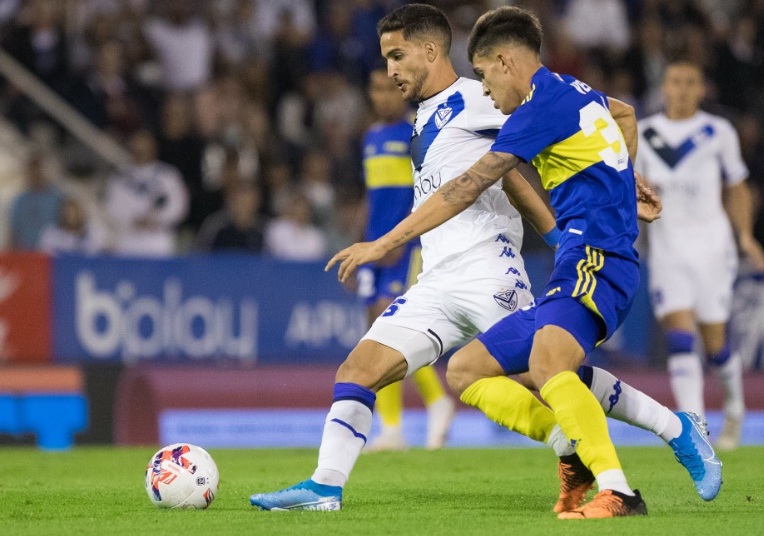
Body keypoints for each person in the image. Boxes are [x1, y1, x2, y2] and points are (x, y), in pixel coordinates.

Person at [250, 4, 717, 515]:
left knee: (546, 369)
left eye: (397, 56)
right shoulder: (428, 114)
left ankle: (645, 445)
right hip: (437, 278)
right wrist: (574, 219)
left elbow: (480, 180)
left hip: (489, 269)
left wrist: (382, 244)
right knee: (360, 369)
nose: (390, 70)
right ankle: (325, 486)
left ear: (431, 51)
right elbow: (514, 175)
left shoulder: (481, 96)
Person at [635, 60, 764, 451]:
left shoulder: (718, 131)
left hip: (713, 246)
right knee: (680, 338)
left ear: (701, 89)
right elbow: (631, 186)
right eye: (675, 81)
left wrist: (746, 235)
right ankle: (697, 432)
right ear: (664, 87)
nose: (681, 89)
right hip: (667, 248)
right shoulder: (643, 133)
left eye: (689, 82)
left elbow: (738, 186)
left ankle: (735, 407)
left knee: (715, 346)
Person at [356, 66, 455, 452]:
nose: (382, 96)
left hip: (405, 245)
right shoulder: (371, 137)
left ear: (402, 91)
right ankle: (393, 429)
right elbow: (371, 197)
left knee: (389, 321)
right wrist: (360, 245)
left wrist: (400, 237)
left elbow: (426, 191)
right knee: (376, 333)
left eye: (388, 89)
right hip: (374, 246)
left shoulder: (416, 132)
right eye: (375, 89)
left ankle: (437, 401)